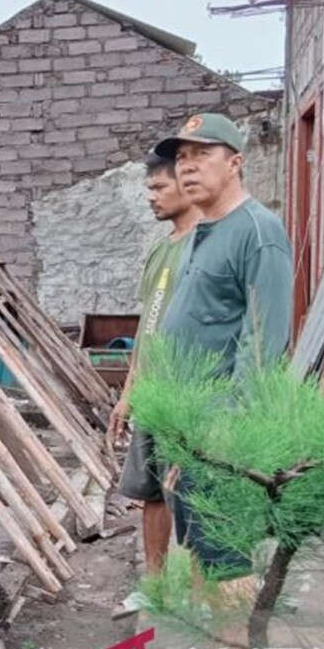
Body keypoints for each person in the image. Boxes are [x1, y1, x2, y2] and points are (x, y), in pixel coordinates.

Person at [152, 113, 293, 577]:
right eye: (181, 158)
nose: (187, 167)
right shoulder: (201, 233)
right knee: (196, 551)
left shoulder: (258, 231)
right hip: (190, 430)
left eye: (202, 154)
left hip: (221, 434)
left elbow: (263, 341)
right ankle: (208, 641)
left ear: (234, 163)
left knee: (225, 564)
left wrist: (228, 428)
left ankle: (230, 646)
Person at [108, 152, 200, 614]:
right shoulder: (160, 249)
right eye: (149, 190)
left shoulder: (209, 246)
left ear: (187, 186)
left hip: (193, 392)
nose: (151, 198)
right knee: (150, 493)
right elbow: (149, 325)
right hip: (152, 393)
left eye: (159, 189)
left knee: (200, 493)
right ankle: (156, 586)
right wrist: (129, 394)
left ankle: (208, 596)